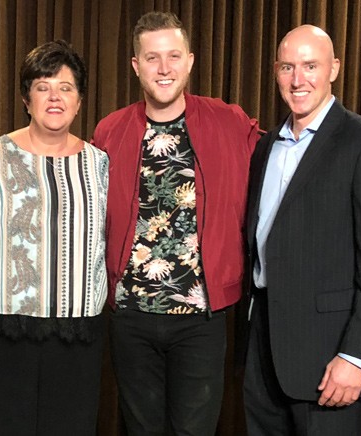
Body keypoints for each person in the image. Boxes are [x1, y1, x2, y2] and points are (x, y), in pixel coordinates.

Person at [91, 11, 262, 436]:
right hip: (131, 315)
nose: (163, 68)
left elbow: (282, 167)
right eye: (152, 58)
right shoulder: (110, 131)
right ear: (136, 66)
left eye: (173, 56)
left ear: (189, 60)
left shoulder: (229, 121)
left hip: (201, 317)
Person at [243, 24, 361, 435]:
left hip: (328, 358)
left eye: (310, 65)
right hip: (262, 351)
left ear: (333, 68)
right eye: (287, 67)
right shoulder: (266, 146)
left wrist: (356, 356)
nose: (298, 79)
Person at [0, 40, 109, 436]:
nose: (55, 97)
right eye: (43, 86)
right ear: (27, 99)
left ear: (79, 101)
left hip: (79, 336)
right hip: (8, 336)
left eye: (66, 87)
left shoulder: (100, 163)